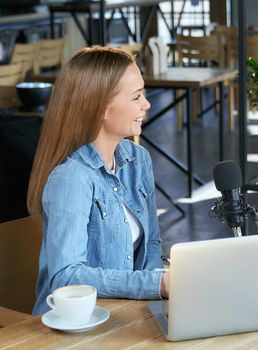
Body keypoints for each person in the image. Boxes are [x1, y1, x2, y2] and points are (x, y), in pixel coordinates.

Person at [28, 47, 169, 315]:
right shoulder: (71, 178)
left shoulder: (138, 160)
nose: (146, 104)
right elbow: (66, 278)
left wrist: (156, 293)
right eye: (136, 96)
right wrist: (156, 284)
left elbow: (151, 244)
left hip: (123, 316)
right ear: (101, 108)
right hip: (74, 327)